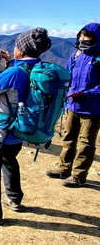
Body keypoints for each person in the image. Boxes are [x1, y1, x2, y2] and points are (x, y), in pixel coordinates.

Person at [0, 28, 52, 224]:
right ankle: (14, 198)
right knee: (10, 160)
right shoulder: (39, 69)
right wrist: (11, 62)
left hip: (0, 130)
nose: (14, 47)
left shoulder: (16, 72)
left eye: (17, 45)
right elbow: (21, 87)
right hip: (20, 131)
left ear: (22, 50)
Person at [46, 23, 100, 187]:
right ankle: (63, 168)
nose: (83, 41)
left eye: (87, 39)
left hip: (92, 109)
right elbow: (67, 76)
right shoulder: (75, 55)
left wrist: (84, 94)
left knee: (86, 142)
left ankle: (78, 175)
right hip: (72, 105)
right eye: (81, 38)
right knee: (68, 137)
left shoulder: (98, 59)